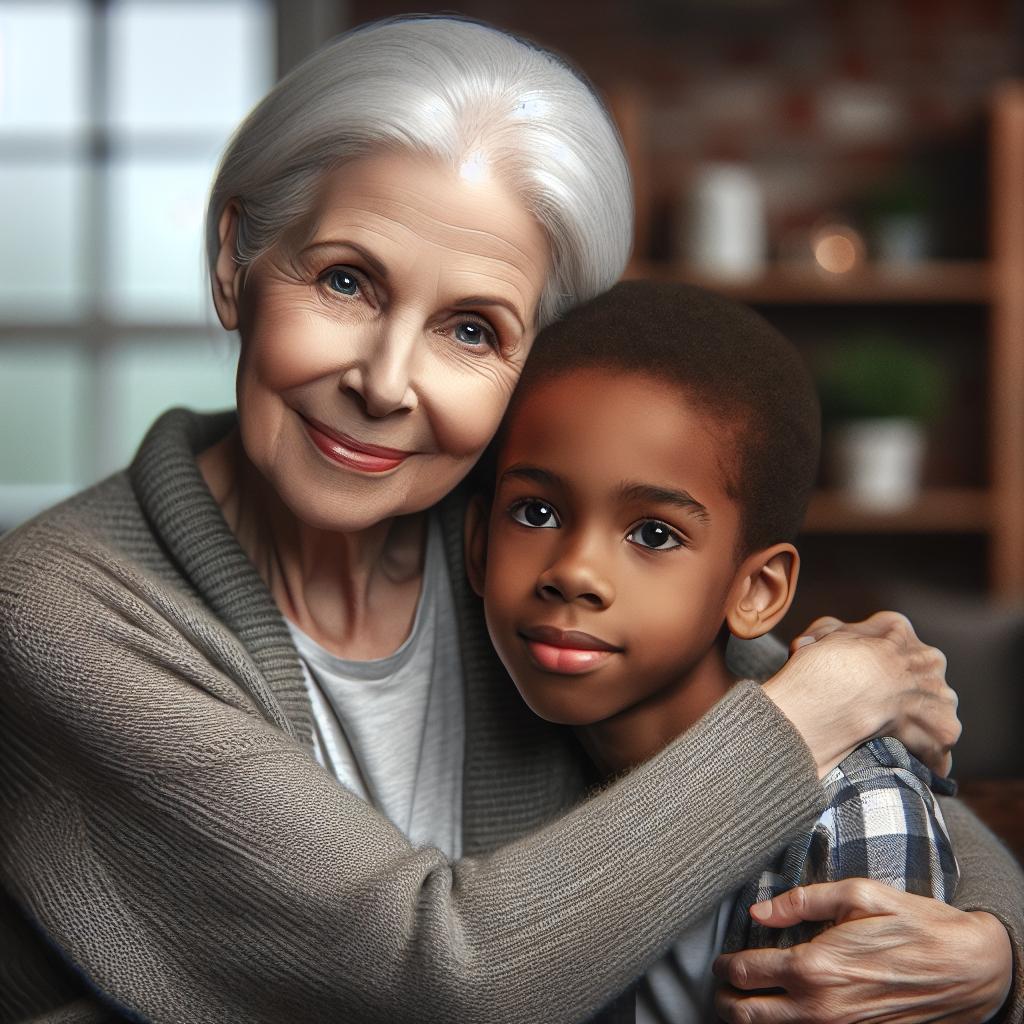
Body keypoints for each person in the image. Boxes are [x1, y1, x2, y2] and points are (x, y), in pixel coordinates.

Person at [0, 15, 1018, 1024]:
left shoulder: (515, 536)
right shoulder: (60, 607)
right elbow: (438, 978)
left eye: (471, 329)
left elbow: (842, 771)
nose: (387, 382)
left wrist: (996, 947)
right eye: (347, 280)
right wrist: (822, 698)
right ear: (235, 262)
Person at [464, 280, 961, 1022]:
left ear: (757, 590)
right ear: (475, 545)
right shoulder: (515, 765)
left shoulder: (854, 812)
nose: (574, 571)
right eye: (536, 512)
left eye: (654, 534)